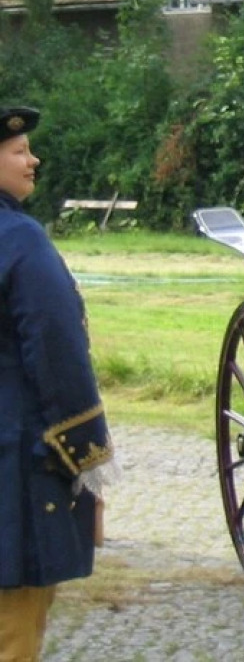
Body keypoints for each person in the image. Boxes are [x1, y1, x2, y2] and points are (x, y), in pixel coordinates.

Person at [0, 106, 117, 662]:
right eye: (19, 151)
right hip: (12, 465)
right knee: (14, 632)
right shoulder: (20, 241)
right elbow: (58, 354)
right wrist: (87, 454)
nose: (33, 159)